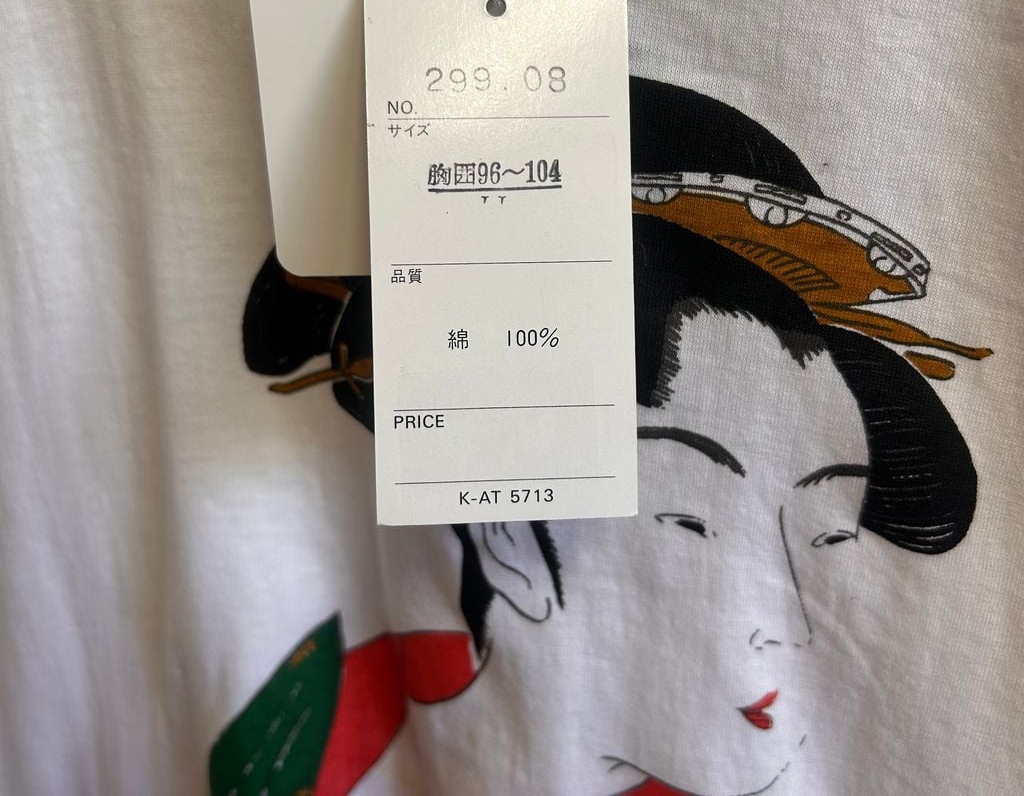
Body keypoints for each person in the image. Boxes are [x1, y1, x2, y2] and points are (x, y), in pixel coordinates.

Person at [213, 79, 985, 796]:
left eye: (831, 535)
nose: (791, 624)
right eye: (691, 522)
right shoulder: (302, 742)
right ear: (510, 536)